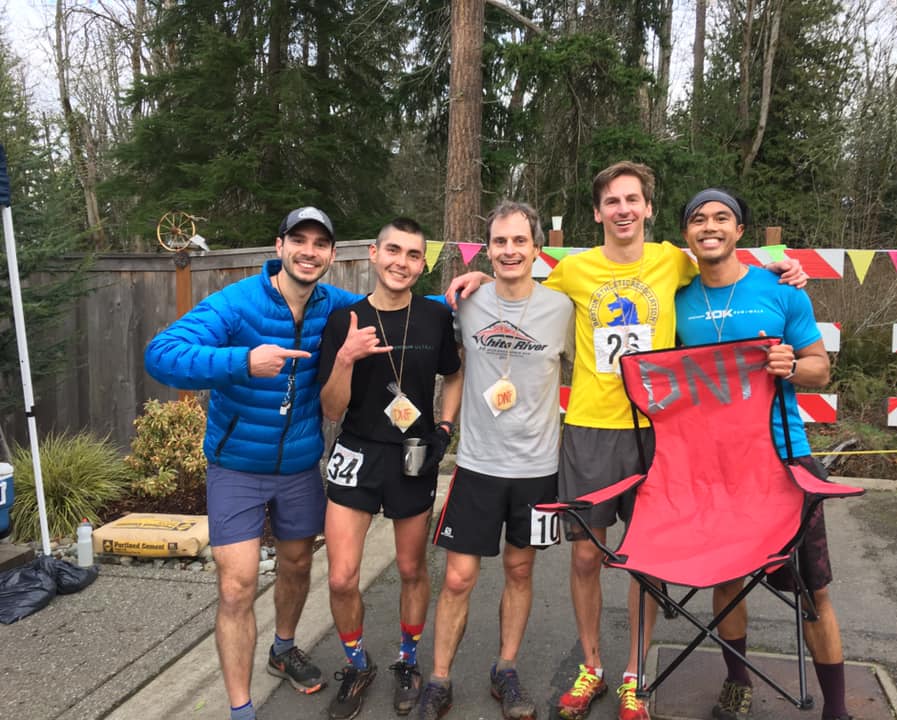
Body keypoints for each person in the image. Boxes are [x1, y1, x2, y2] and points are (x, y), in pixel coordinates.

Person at [446, 162, 808, 720]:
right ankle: (592, 666)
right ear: (597, 213)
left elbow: (723, 262)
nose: (623, 210)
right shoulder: (574, 270)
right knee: (586, 556)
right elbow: (518, 290)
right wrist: (474, 279)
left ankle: (636, 676)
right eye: (612, 201)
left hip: (658, 431)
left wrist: (783, 269)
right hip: (591, 428)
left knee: (646, 558)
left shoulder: (672, 261)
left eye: (632, 199)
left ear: (647, 208)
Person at [145, 207, 360, 720]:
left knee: (298, 564)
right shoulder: (235, 303)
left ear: (332, 255)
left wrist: (461, 294)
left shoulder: (334, 305)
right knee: (237, 585)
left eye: (320, 244)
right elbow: (162, 354)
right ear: (279, 246)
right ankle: (241, 709)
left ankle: (283, 649)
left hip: (300, 467)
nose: (309, 251)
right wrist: (243, 361)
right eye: (299, 240)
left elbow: (394, 308)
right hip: (236, 467)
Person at [674, 189, 851, 720]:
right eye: (698, 219)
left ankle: (836, 707)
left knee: (812, 590)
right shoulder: (676, 294)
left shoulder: (780, 288)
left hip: (785, 458)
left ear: (739, 231)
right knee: (727, 579)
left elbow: (820, 367)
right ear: (686, 234)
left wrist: (790, 365)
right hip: (713, 463)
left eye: (721, 218)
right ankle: (737, 682)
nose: (709, 226)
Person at [415, 202, 575, 720]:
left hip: (538, 468)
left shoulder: (562, 309)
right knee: (458, 578)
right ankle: (438, 678)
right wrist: (442, 425)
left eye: (519, 241)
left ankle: (505, 668)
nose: (509, 251)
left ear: (536, 249)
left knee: (520, 570)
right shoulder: (465, 303)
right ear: (487, 249)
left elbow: (595, 370)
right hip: (478, 465)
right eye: (500, 242)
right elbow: (447, 364)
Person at [318, 217, 463, 719]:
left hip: (413, 454)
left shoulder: (435, 316)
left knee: (410, 568)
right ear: (374, 254)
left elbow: (454, 373)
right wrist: (346, 358)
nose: (402, 262)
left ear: (423, 265)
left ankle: (408, 660)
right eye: (394, 251)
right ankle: (357, 664)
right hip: (358, 452)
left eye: (413, 255)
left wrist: (445, 427)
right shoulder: (345, 320)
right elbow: (331, 410)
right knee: (341, 578)